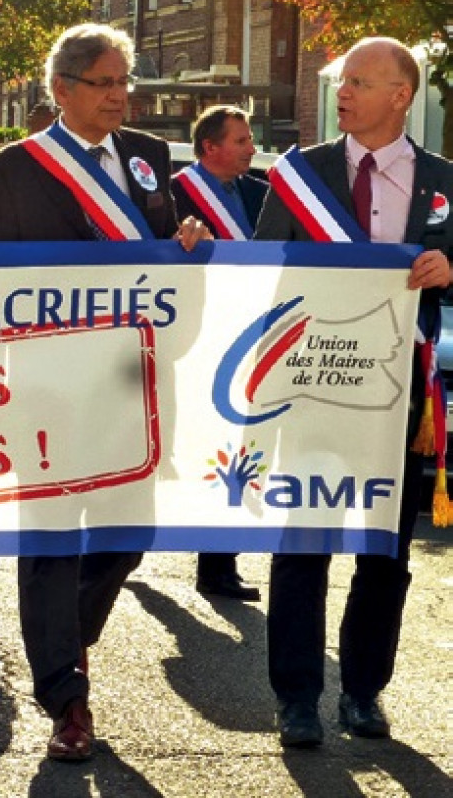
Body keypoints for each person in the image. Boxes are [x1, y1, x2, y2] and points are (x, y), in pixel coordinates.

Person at [0, 23, 208, 763]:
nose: (119, 95)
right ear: (62, 90)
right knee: (48, 545)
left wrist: (188, 246)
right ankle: (66, 700)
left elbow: (161, 258)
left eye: (123, 83)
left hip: (129, 386)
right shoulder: (11, 171)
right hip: (46, 389)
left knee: (126, 537)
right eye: (105, 83)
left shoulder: (149, 157)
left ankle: (63, 642)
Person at [257, 37, 453, 748]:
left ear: (401, 95)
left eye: (362, 82)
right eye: (343, 80)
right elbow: (266, 274)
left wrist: (449, 270)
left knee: (384, 555)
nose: (344, 92)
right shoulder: (299, 174)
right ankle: (298, 697)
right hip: (309, 391)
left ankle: (365, 692)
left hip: (398, 402)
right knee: (303, 549)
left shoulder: (443, 182)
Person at [170, 104, 267, 602]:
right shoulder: (173, 194)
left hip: (247, 340)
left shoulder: (259, 194)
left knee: (234, 451)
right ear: (210, 147)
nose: (252, 148)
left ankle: (218, 564)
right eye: (242, 140)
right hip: (189, 338)